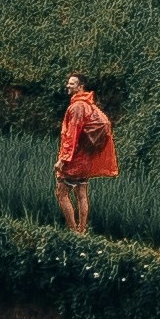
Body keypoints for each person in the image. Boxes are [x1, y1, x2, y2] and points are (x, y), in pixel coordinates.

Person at [52, 71, 119, 234]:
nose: (68, 85)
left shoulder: (77, 107)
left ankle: (73, 231)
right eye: (68, 82)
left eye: (72, 83)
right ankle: (82, 230)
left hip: (74, 159)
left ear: (80, 87)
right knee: (81, 194)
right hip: (86, 160)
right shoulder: (90, 105)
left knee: (61, 193)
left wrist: (63, 159)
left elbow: (71, 135)